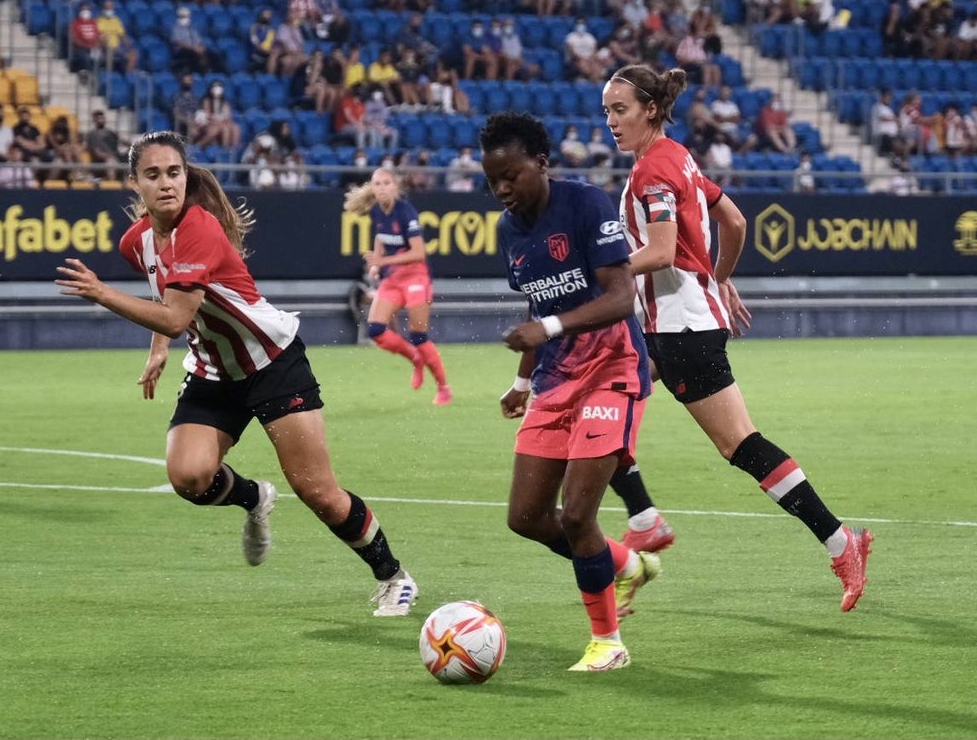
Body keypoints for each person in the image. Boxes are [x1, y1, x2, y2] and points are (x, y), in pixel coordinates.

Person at [55, 131, 419, 616]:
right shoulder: (135, 242)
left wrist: (103, 294)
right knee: (189, 477)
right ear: (134, 184)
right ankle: (253, 497)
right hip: (213, 370)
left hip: (272, 362)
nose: (166, 183)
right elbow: (165, 297)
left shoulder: (199, 229)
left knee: (318, 493)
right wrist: (158, 350)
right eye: (153, 175)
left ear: (186, 177)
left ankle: (394, 576)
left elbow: (176, 317)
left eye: (174, 172)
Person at [602, 64, 874, 612]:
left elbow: (661, 252)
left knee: (740, 444)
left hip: (679, 329)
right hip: (673, 325)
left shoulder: (653, 170)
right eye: (606, 110)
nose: (610, 121)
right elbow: (735, 221)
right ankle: (644, 520)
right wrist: (718, 279)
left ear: (650, 109)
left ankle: (840, 542)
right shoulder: (677, 156)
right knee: (599, 404)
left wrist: (599, 271)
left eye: (620, 110)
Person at [480, 111, 660, 672]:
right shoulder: (509, 231)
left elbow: (621, 297)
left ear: (541, 162)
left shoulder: (585, 204)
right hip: (556, 380)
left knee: (579, 514)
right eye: (492, 180)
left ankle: (608, 642)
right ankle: (624, 563)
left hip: (613, 370)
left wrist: (549, 329)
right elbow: (540, 302)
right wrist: (522, 381)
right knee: (525, 517)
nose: (502, 189)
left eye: (511, 175)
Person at [344, 167, 452, 406]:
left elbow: (419, 252)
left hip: (416, 277)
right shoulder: (376, 211)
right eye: (377, 184)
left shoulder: (406, 212)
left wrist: (382, 261)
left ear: (395, 186)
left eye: (386, 183)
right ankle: (415, 358)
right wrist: (376, 264)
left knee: (419, 335)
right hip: (394, 277)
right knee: (376, 330)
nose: (381, 188)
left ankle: (443, 387)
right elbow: (380, 236)